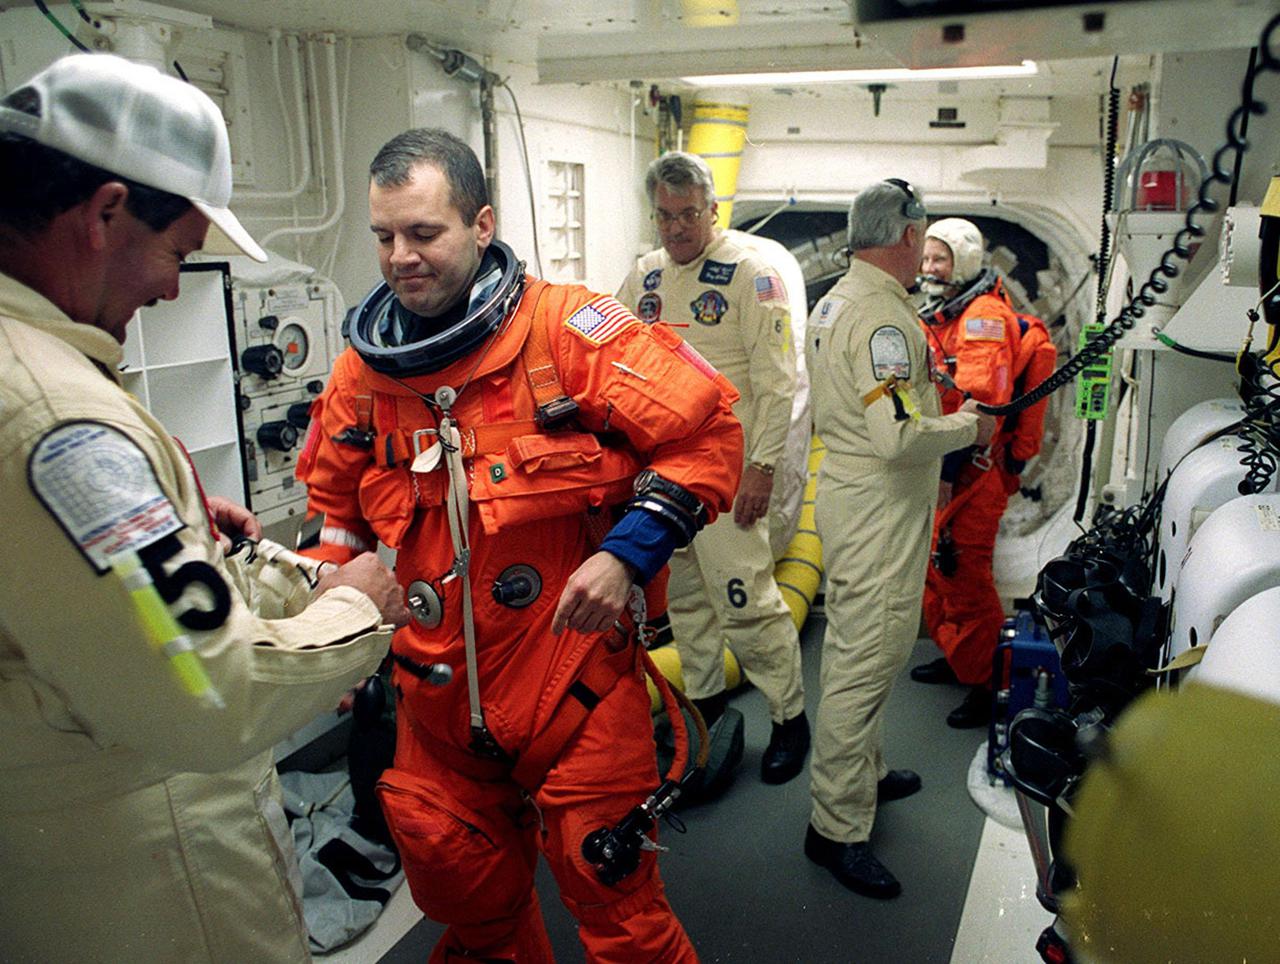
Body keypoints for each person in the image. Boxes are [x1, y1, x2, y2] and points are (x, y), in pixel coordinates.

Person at [297, 128, 743, 962]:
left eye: (424, 233)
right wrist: (331, 610)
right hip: (437, 699)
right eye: (385, 236)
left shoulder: (568, 334)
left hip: (570, 684)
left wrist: (626, 554)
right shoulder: (366, 372)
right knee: (468, 904)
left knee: (623, 918)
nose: (401, 257)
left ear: (482, 224)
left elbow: (708, 432)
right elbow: (335, 508)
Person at [0, 54, 408, 962]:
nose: (173, 289)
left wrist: (177, 530)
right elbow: (207, 689)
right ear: (106, 212)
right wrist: (356, 609)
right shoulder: (57, 418)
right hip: (150, 880)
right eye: (179, 252)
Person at [804, 181, 995, 898]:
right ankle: (835, 827)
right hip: (879, 510)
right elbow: (898, 435)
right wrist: (969, 428)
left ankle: (868, 774)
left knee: (868, 651)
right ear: (909, 235)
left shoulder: (835, 299)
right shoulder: (884, 321)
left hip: (857, 502)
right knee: (864, 660)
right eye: (923, 238)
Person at [617, 151, 809, 785]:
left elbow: (780, 383)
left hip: (726, 472)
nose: (676, 229)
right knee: (690, 600)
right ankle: (702, 709)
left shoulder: (752, 274)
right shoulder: (644, 277)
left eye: (688, 215)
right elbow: (611, 357)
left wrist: (762, 470)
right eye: (665, 217)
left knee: (746, 601)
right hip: (664, 472)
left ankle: (789, 717)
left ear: (712, 211)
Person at [912, 218, 1023, 728]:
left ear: (967, 264)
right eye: (927, 259)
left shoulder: (984, 318)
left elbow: (980, 409)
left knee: (965, 577)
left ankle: (989, 682)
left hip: (972, 469)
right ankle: (961, 659)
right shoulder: (941, 314)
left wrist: (946, 474)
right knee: (937, 571)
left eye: (942, 260)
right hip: (944, 462)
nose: (931, 270)